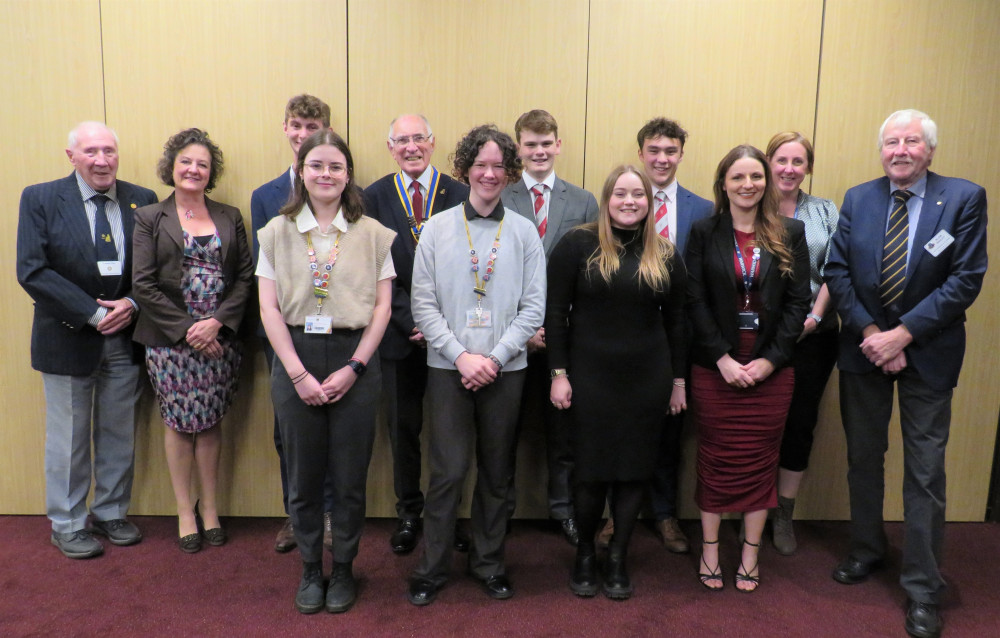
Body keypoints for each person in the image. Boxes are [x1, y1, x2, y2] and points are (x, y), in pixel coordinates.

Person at [825, 109, 988, 638]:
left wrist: (905, 335)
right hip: (865, 349)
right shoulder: (858, 198)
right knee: (864, 459)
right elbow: (838, 271)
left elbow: (966, 279)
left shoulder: (963, 198)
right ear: (881, 150)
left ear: (930, 150)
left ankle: (922, 587)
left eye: (911, 141)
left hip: (929, 352)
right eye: (891, 142)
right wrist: (875, 333)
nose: (900, 150)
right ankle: (868, 549)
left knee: (925, 473)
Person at [257, 130, 395, 614]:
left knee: (350, 476)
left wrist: (355, 366)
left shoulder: (373, 233)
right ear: (301, 172)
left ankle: (345, 570)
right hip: (294, 357)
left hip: (354, 357)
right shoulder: (276, 232)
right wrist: (296, 374)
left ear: (348, 174)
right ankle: (311, 569)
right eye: (316, 166)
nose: (326, 175)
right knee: (304, 475)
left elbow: (382, 309)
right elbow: (269, 310)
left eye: (336, 167)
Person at [407, 125, 545, 607]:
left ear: (510, 173)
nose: (489, 174)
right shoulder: (437, 228)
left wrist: (495, 356)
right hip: (448, 368)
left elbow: (533, 307)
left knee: (497, 472)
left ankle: (489, 563)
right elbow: (422, 304)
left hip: (506, 371)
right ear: (465, 169)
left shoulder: (525, 232)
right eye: (480, 165)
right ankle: (433, 566)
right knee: (446, 471)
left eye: (498, 166)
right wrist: (461, 355)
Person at [17, 121, 157, 559]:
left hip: (126, 336)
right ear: (71, 155)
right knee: (69, 437)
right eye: (92, 151)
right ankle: (68, 522)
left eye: (109, 151)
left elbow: (154, 270)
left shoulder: (143, 200)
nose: (102, 160)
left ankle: (112, 510)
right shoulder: (40, 198)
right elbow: (33, 270)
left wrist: (131, 304)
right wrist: (94, 314)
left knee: (118, 432)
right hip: (68, 336)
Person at [546, 165, 687, 599]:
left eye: (638, 195)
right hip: (589, 380)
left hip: (647, 381)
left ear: (650, 201)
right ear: (607, 199)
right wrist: (558, 374)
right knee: (589, 475)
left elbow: (679, 324)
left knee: (633, 475)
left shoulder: (664, 253)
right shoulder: (577, 245)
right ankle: (586, 553)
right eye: (621, 194)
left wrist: (678, 382)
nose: (630, 201)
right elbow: (554, 315)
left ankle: (619, 556)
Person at [686, 145, 810, 592]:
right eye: (738, 177)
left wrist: (770, 360)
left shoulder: (789, 232)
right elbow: (694, 300)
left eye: (756, 176)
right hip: (714, 366)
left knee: (761, 460)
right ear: (724, 183)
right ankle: (711, 550)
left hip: (771, 370)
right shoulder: (704, 232)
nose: (748, 185)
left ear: (767, 182)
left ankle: (752, 554)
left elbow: (799, 303)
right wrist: (721, 358)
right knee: (716, 458)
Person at [132, 128, 254, 553]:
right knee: (180, 424)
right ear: (172, 167)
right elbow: (143, 285)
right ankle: (185, 511)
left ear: (211, 172)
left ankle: (212, 509)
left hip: (220, 341)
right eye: (186, 161)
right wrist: (189, 328)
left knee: (211, 421)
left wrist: (216, 322)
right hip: (170, 343)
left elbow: (244, 278)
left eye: (202, 163)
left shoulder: (229, 215)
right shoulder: (149, 217)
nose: (194, 169)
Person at [364, 113, 469, 555]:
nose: (411, 147)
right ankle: (409, 511)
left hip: (454, 337)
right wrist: (414, 320)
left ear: (432, 142)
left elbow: (471, 265)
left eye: (418, 139)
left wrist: (439, 326)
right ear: (390, 148)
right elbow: (372, 270)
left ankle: (449, 515)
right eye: (401, 140)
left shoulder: (460, 193)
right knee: (403, 429)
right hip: (399, 335)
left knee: (452, 432)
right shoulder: (373, 197)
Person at [502, 109, 599, 546]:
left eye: (546, 144)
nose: (539, 152)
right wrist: (524, 330)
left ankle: (565, 511)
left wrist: (553, 330)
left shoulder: (583, 202)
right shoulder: (499, 197)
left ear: (558, 146)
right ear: (518, 149)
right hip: (508, 338)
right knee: (503, 432)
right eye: (530, 145)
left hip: (564, 337)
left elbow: (591, 273)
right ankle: (498, 513)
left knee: (566, 436)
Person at [619, 117, 713, 553]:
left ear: (680, 155)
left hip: (677, 335)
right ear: (641, 153)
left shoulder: (704, 210)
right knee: (618, 426)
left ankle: (664, 514)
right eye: (653, 151)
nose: (661, 159)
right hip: (621, 335)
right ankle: (614, 515)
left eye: (670, 151)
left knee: (669, 430)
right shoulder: (620, 201)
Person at [250, 94, 336, 553]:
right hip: (281, 329)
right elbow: (263, 269)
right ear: (285, 128)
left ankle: (327, 513)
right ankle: (295, 513)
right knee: (290, 428)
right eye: (297, 126)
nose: (302, 134)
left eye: (312, 126)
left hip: (333, 328)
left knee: (332, 423)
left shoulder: (341, 190)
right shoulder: (265, 196)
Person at [765, 132, 840, 555]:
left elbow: (836, 269)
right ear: (768, 162)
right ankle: (752, 508)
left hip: (813, 336)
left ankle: (784, 513)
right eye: (782, 160)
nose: (789, 168)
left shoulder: (825, 210)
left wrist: (813, 318)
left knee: (800, 423)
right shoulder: (749, 206)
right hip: (760, 338)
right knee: (760, 423)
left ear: (807, 167)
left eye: (798, 161)